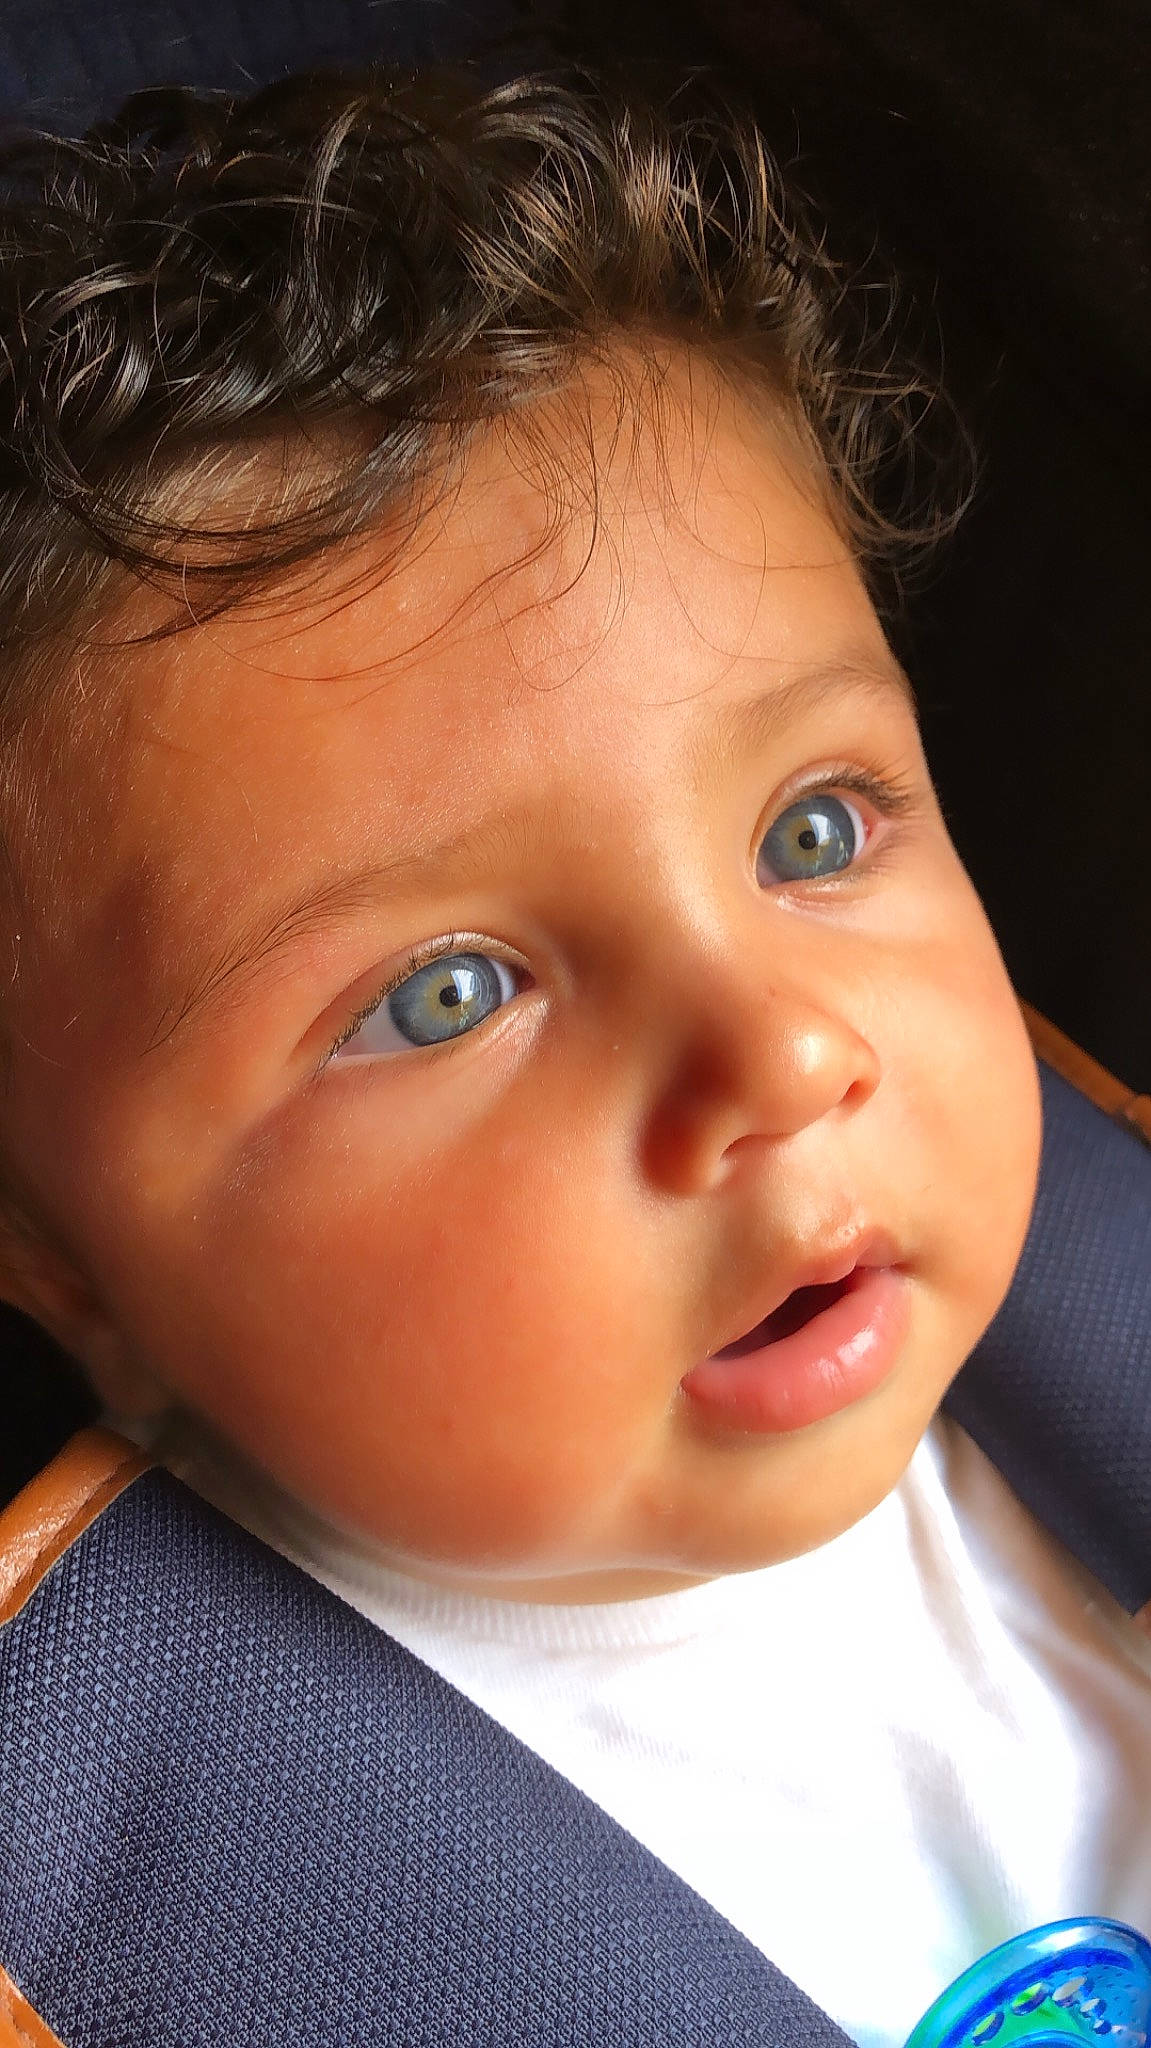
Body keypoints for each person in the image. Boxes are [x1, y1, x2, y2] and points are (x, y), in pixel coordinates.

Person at [0, 64, 1146, 2048]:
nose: (787, 1051)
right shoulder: (101, 1900)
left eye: (814, 830)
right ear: (66, 1263)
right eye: (447, 994)